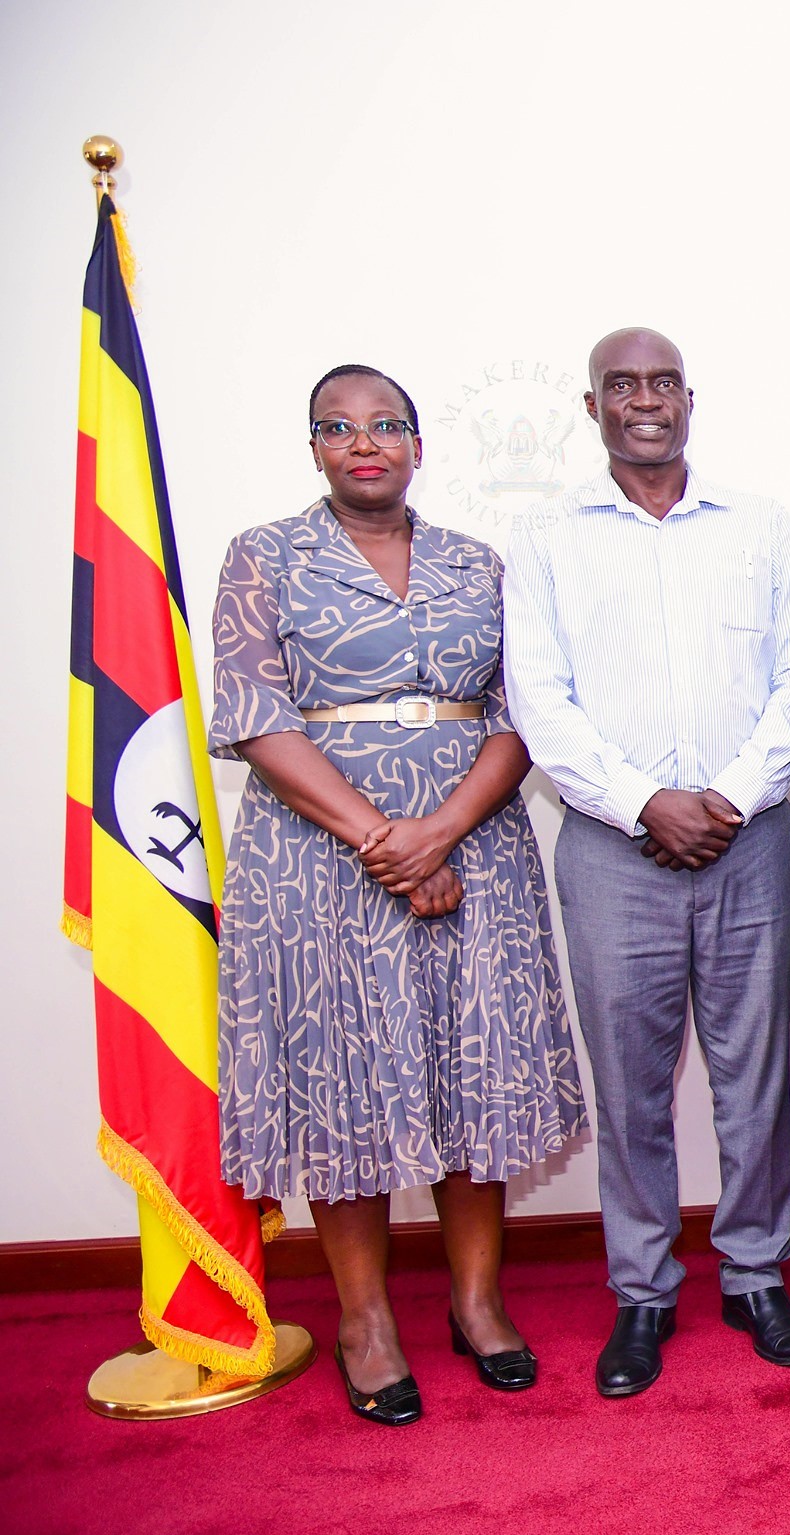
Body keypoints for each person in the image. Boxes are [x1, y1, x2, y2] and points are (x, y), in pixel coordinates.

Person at [212, 365, 585, 1425]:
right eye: (338, 426)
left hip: (474, 847)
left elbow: (524, 712)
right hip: (318, 862)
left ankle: (477, 1303)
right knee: (346, 1084)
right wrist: (385, 840)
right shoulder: (265, 557)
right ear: (315, 447)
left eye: (386, 426)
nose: (363, 442)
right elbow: (252, 712)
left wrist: (441, 832)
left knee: (475, 1073)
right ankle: (365, 1320)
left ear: (419, 444)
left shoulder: (481, 562)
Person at [505, 328, 790, 1396]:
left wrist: (727, 795)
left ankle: (757, 1274)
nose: (645, 400)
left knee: (754, 1078)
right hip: (611, 849)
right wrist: (646, 802)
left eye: (663, 382)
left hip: (751, 838)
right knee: (630, 1088)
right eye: (621, 385)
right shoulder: (545, 541)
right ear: (591, 408)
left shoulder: (763, 527)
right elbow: (540, 704)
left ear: (691, 398)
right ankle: (642, 1293)